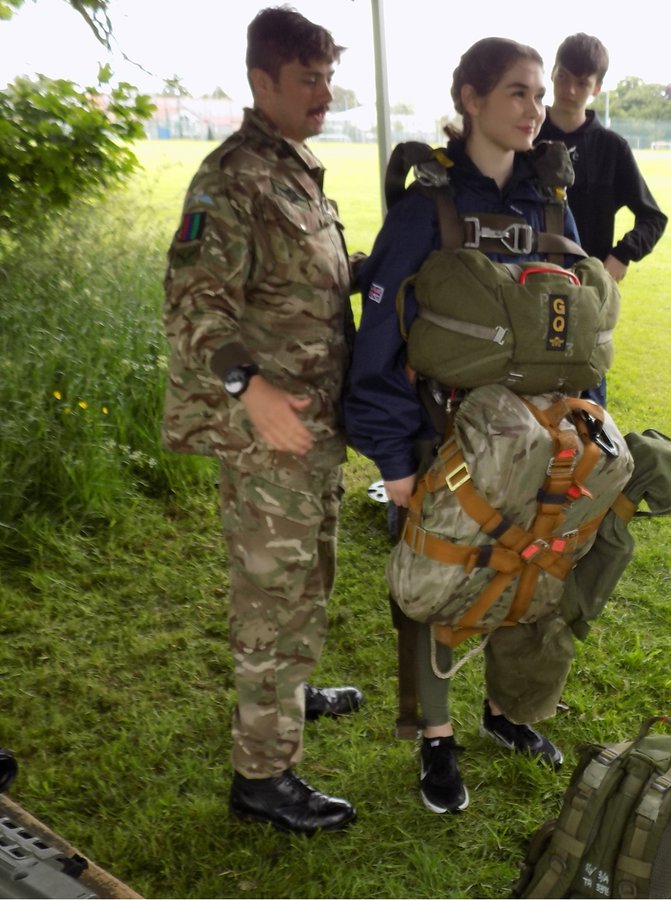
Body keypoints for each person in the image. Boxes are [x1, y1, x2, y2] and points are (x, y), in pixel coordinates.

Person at [345, 38, 581, 815]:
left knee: (531, 567)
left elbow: (574, 324)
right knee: (435, 581)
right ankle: (436, 742)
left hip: (539, 434)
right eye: (517, 92)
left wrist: (583, 418)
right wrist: (392, 460)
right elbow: (378, 342)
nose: (534, 108)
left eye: (540, 94)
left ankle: (508, 714)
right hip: (441, 429)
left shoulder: (551, 201)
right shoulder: (428, 207)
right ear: (470, 99)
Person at [162, 7, 363, 835]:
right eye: (307, 79)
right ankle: (262, 778)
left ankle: (290, 691)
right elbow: (192, 305)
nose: (323, 92)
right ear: (262, 83)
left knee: (310, 574)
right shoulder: (233, 177)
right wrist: (251, 388)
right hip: (266, 433)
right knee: (269, 598)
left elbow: (305, 285)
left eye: (326, 76)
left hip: (313, 428)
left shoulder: (297, 169)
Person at [537, 33, 667, 406]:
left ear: (597, 87)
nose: (570, 89)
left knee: (587, 405)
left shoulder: (611, 148)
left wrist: (622, 254)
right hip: (525, 285)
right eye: (563, 77)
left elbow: (652, 217)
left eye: (582, 82)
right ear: (553, 72)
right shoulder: (526, 134)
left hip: (585, 295)